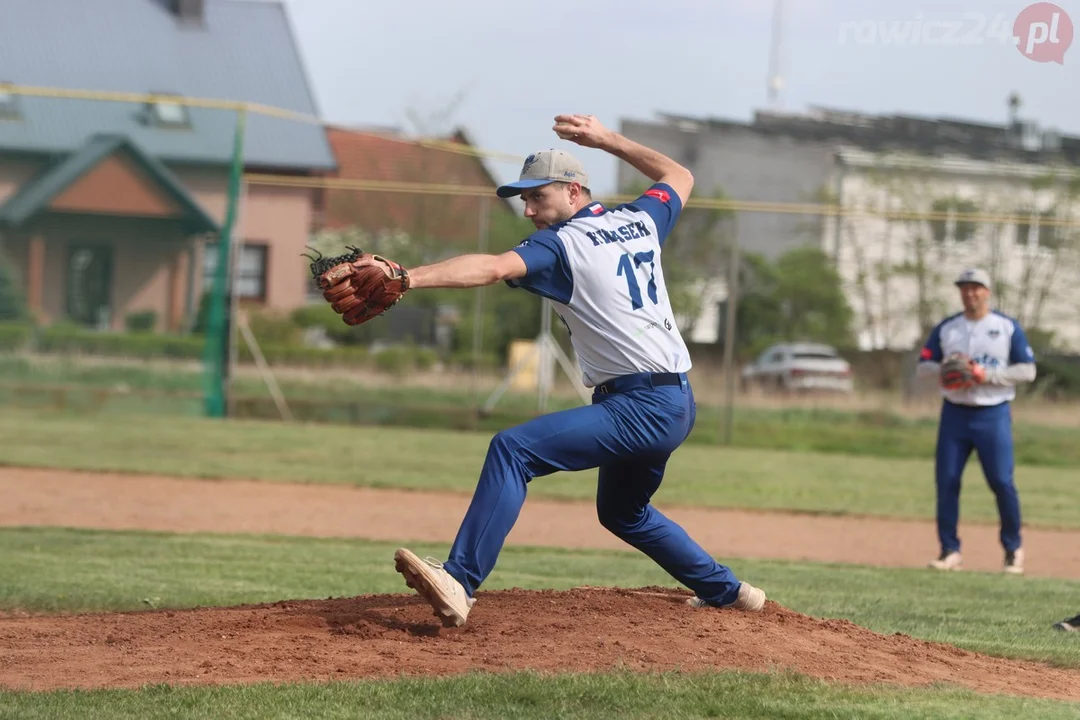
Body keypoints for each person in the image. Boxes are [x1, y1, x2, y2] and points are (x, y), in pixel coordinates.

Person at [390, 114, 767, 627]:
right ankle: (729, 592)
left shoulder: (562, 244)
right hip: (674, 400)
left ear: (573, 192)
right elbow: (679, 176)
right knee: (623, 513)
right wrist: (607, 139)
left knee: (513, 449)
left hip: (641, 406)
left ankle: (460, 580)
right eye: (523, 200)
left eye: (537, 197)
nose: (528, 210)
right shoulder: (639, 219)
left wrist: (406, 276)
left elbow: (493, 267)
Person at [917, 268, 1037, 575]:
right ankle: (949, 551)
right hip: (955, 413)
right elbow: (923, 367)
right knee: (947, 481)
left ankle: (1013, 550)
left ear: (987, 291)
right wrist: (946, 366)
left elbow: (1027, 371)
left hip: (992, 412)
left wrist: (988, 376)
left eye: (976, 288)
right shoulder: (948, 328)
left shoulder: (1006, 327)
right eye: (965, 288)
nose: (970, 293)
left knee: (1001, 481)